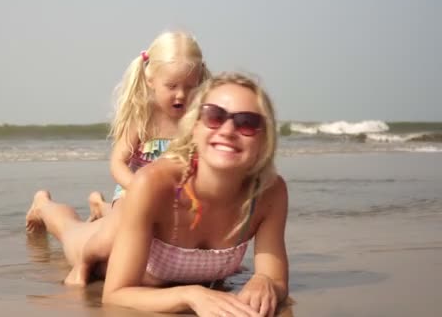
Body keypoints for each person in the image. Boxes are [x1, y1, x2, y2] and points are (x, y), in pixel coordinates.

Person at [26, 72, 289, 317]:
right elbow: (115, 295)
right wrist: (192, 295)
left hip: (142, 234)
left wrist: (264, 281)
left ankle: (101, 207)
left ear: (265, 139)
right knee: (69, 230)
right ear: (194, 126)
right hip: (106, 255)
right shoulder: (155, 183)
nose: (228, 130)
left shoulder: (268, 193)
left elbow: (276, 279)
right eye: (215, 116)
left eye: (247, 122)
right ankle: (43, 205)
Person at [86, 31, 211, 221]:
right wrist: (139, 188)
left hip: (176, 194)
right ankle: (57, 207)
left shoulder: (199, 118)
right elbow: (117, 163)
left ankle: (100, 207)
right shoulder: (143, 116)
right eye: (171, 86)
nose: (181, 95)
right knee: (118, 228)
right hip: (133, 188)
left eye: (189, 86)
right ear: (150, 80)